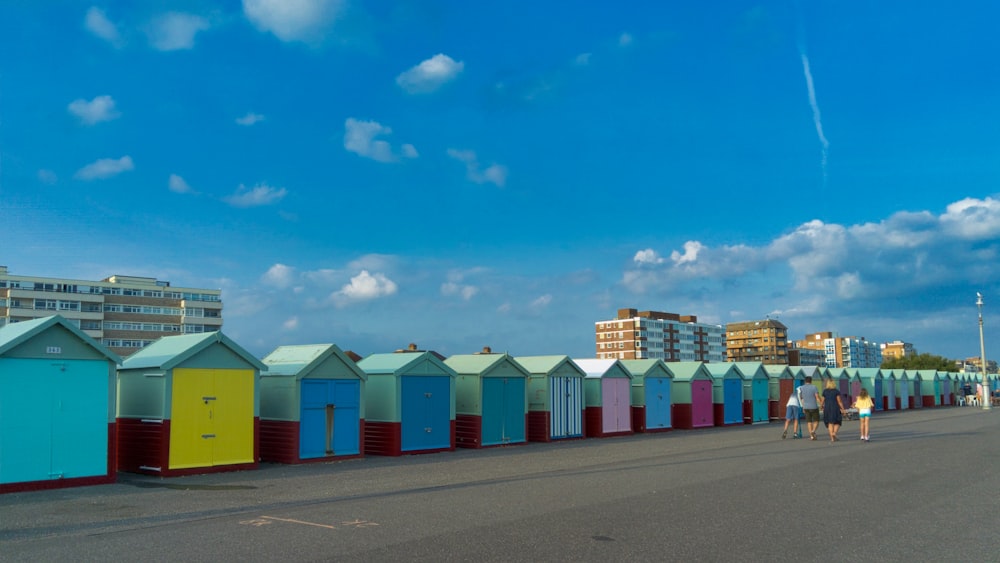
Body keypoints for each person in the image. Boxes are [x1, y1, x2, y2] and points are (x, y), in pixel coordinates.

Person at [820, 377, 845, 442]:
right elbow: (839, 401)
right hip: (835, 407)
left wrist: (821, 406)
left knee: (830, 423)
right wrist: (843, 409)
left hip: (827, 408)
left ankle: (832, 438)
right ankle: (834, 433)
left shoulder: (825, 391)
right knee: (838, 421)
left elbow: (822, 401)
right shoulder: (836, 391)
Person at [797, 376, 821, 441]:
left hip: (806, 407)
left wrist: (803, 407)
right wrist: (821, 404)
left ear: (805, 381)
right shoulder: (814, 387)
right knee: (816, 421)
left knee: (809, 421)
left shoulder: (801, 388)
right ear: (811, 381)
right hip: (814, 406)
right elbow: (817, 397)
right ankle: (813, 431)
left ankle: (811, 436)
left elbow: (801, 398)